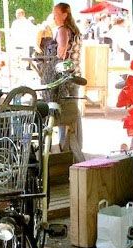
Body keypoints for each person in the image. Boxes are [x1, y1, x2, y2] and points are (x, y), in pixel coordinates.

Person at [47, 3, 84, 162]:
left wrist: (49, 63)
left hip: (64, 78)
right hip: (75, 75)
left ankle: (64, 148)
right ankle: (76, 146)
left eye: (56, 14)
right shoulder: (76, 31)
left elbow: (61, 53)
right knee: (74, 112)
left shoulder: (62, 30)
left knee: (62, 113)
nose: (54, 17)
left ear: (65, 14)